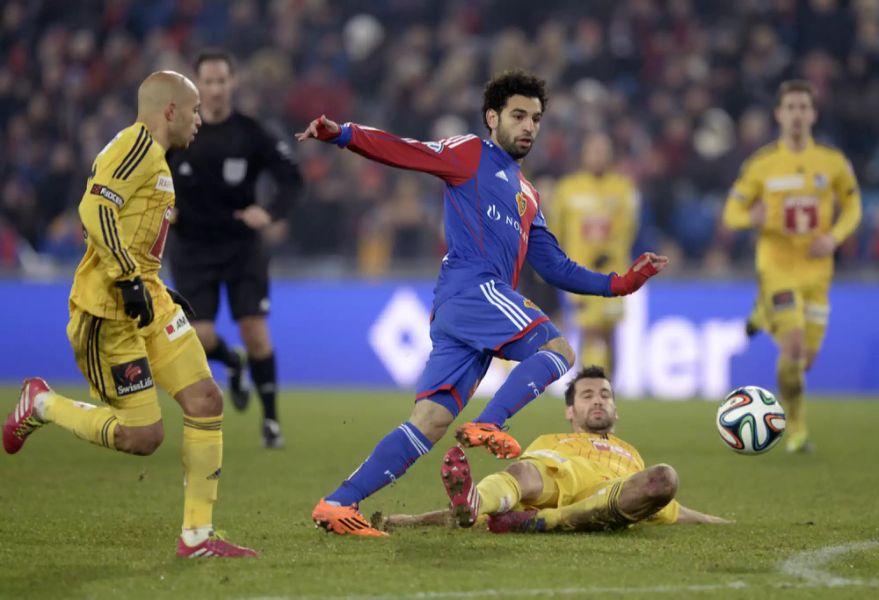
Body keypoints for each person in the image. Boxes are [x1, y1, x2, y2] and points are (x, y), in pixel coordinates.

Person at [296, 70, 668, 537]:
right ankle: (490, 424)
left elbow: (556, 266)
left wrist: (622, 283)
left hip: (463, 310)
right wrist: (344, 134)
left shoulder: (528, 196)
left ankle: (336, 503)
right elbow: (408, 151)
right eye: (518, 115)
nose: (529, 126)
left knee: (428, 422)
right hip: (474, 287)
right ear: (492, 118)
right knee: (558, 350)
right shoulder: (470, 153)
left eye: (535, 118)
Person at [2, 71, 256, 558]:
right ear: (169, 111)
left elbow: (131, 232)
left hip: (148, 298)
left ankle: (197, 538)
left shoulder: (156, 159)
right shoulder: (135, 146)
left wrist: (156, 286)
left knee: (205, 399)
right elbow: (94, 209)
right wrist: (128, 276)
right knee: (143, 437)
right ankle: (40, 404)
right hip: (108, 309)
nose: (200, 119)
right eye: (195, 109)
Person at [380, 365, 729, 533]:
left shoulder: (631, 453)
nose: (597, 402)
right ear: (570, 411)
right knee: (522, 473)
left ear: (616, 410)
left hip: (609, 495)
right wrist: (411, 520)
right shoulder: (552, 442)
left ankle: (543, 522)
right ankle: (500, 507)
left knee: (664, 479)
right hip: (564, 476)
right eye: (587, 396)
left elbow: (672, 509)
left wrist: (719, 521)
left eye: (605, 396)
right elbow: (492, 511)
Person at [167, 48, 304, 449]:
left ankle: (272, 423)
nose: (213, 89)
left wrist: (269, 211)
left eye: (220, 81)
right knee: (201, 335)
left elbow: (292, 179)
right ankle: (233, 364)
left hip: (241, 246)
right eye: (206, 82)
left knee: (255, 332)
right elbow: (147, 172)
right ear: (196, 86)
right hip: (191, 247)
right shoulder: (177, 133)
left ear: (232, 83)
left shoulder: (251, 133)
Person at [723, 79, 861, 454]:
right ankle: (797, 428)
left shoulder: (832, 163)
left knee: (803, 363)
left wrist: (833, 237)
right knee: (795, 348)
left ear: (813, 114)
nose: (797, 114)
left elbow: (853, 207)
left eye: (804, 107)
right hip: (777, 268)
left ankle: (763, 312)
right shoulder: (762, 165)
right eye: (791, 107)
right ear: (779, 114)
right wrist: (750, 216)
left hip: (818, 272)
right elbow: (731, 212)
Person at [550, 132, 640, 375]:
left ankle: (609, 389)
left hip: (614, 273)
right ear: (584, 154)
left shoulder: (622, 188)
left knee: (609, 334)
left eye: (603, 150)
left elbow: (628, 229)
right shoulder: (567, 189)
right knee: (589, 331)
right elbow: (555, 232)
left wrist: (610, 251)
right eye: (594, 150)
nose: (599, 155)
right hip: (578, 274)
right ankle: (586, 389)